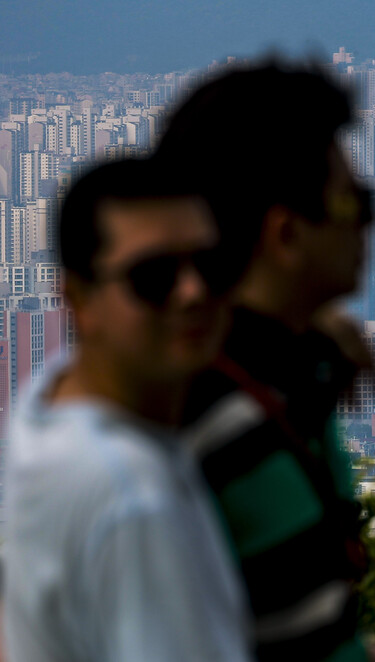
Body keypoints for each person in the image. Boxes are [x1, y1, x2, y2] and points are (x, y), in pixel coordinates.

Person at [155, 63, 375, 661]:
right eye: (354, 201)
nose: (369, 221)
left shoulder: (289, 374)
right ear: (286, 234)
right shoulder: (211, 427)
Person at [2, 158, 252, 662]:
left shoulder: (45, 407)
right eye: (153, 277)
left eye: (213, 265)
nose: (193, 293)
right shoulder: (134, 497)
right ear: (79, 300)